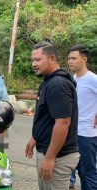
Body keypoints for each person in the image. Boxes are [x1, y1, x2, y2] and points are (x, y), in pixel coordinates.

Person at [25, 41, 79, 190]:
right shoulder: (48, 81)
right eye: (32, 60)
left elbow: (62, 123)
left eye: (38, 60)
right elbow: (47, 116)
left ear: (52, 59)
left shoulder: (57, 84)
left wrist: (49, 158)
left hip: (57, 156)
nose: (33, 64)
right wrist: (34, 137)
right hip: (49, 151)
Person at [68, 45, 97, 190]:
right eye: (69, 59)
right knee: (74, 169)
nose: (70, 61)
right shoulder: (72, 80)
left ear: (84, 59)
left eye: (74, 58)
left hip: (87, 134)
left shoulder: (93, 79)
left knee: (88, 173)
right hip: (72, 133)